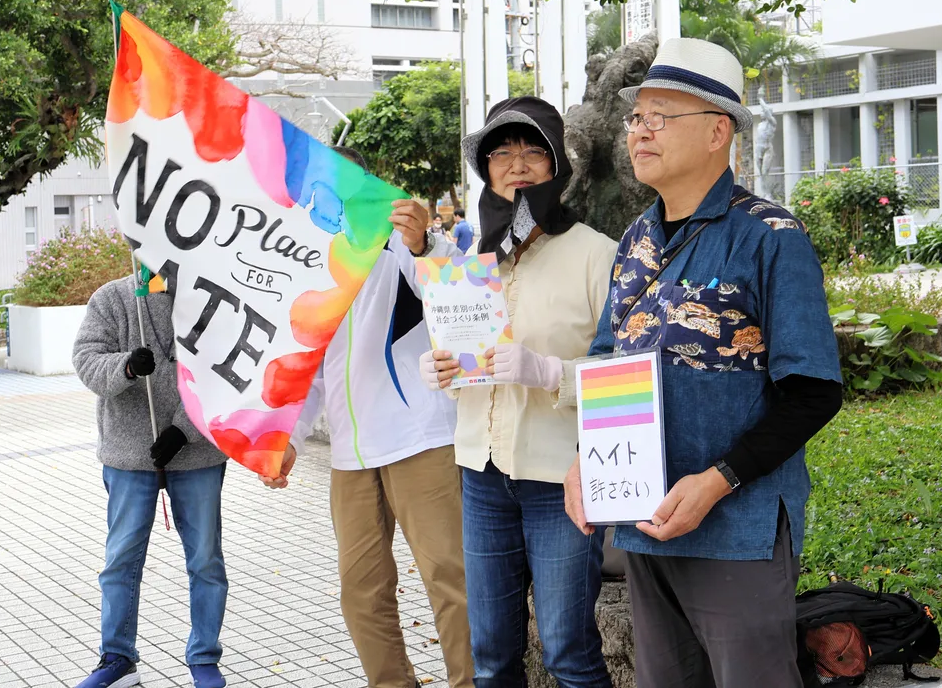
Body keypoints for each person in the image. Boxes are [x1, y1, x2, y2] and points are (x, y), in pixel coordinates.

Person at [561, 38, 843, 688]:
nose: (639, 131)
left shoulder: (771, 237)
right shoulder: (634, 240)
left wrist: (716, 480)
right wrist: (586, 454)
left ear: (719, 131)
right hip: (645, 523)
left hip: (734, 532)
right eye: (637, 117)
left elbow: (812, 391)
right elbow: (609, 357)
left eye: (661, 115)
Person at [418, 97, 617, 688]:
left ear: (557, 166)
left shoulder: (596, 253)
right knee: (492, 656)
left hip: (562, 478)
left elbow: (628, 375)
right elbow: (464, 368)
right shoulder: (469, 264)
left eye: (533, 151)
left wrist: (549, 372)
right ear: (487, 171)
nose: (517, 164)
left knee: (567, 653)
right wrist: (444, 375)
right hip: (481, 473)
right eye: (501, 153)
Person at [260, 145, 474, 688]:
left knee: (451, 580)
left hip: (421, 441)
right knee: (361, 591)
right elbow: (308, 367)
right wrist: (289, 437)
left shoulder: (403, 244)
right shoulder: (311, 266)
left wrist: (425, 242)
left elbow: (459, 300)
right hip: (350, 455)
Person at [72, 273, 230, 688]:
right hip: (128, 451)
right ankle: (118, 657)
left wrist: (184, 430)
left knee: (206, 559)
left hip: (198, 451)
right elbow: (86, 361)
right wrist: (124, 366)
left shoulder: (209, 297)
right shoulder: (110, 298)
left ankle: (204, 657)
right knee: (121, 560)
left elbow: (226, 371)